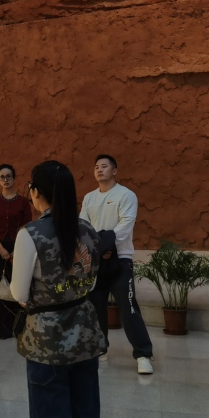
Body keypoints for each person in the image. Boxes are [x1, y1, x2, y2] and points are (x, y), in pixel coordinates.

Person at [11, 160, 106, 418]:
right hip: (85, 335)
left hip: (46, 343)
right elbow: (90, 281)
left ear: (36, 192)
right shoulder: (88, 229)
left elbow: (20, 293)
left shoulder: (31, 234)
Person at [82, 154, 154, 374]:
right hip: (97, 260)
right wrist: (98, 249)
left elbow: (125, 225)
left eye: (104, 166)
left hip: (120, 259)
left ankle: (143, 354)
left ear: (114, 171)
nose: (99, 169)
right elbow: (84, 227)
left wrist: (107, 246)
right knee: (95, 307)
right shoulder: (89, 198)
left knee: (128, 308)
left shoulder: (126, 195)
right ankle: (100, 348)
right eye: (96, 166)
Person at [0, 163, 33, 339]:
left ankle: (18, 326)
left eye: (8, 176)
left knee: (18, 286)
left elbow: (27, 226)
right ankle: (1, 328)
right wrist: (1, 249)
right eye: (2, 177)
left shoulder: (23, 202)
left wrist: (15, 251)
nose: (5, 180)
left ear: (14, 178)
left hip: (18, 247)